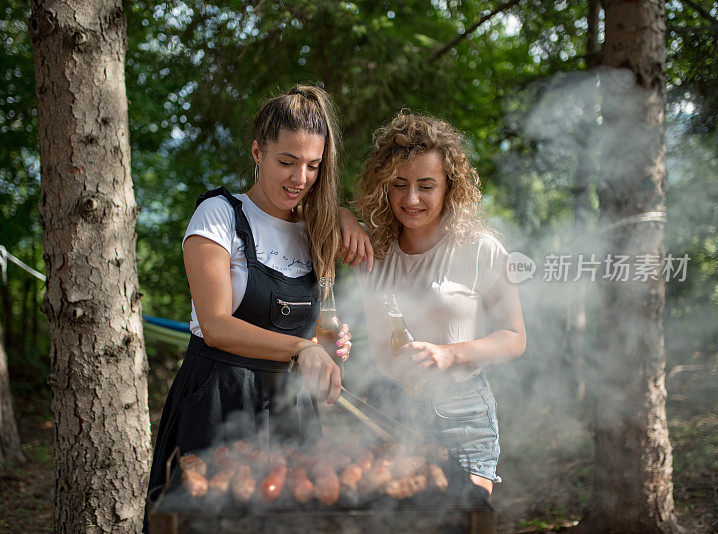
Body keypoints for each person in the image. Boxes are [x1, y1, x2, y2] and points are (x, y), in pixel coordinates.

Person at [145, 86, 352, 519]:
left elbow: (306, 331)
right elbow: (216, 325)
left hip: (291, 409)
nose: (300, 178)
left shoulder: (316, 230)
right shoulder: (219, 215)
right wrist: (303, 348)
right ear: (257, 152)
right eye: (287, 162)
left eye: (313, 166)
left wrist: (325, 350)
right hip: (219, 398)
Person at [348, 112, 526, 495]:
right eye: (399, 184)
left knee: (464, 523)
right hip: (384, 409)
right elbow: (304, 214)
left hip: (460, 414)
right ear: (383, 186)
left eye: (426, 185)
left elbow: (514, 337)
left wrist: (449, 354)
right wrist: (344, 216)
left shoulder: (481, 249)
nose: (411, 199)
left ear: (450, 187)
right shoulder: (369, 248)